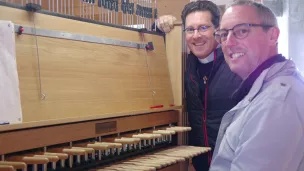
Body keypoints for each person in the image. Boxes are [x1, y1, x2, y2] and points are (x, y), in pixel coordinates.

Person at [210, 1, 304, 171]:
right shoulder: (266, 88)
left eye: (242, 31)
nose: (228, 43)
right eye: (223, 34)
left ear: (273, 35)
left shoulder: (277, 103)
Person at [156, 1, 242, 171]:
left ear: (217, 30)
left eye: (203, 28)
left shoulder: (237, 65)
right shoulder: (185, 66)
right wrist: (158, 26)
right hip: (200, 165)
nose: (196, 36)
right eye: (190, 29)